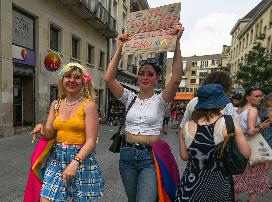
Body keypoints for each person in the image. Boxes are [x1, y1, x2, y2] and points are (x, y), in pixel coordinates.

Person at [104, 23, 184, 201]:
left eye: (150, 74)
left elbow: (176, 78)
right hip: (127, 155)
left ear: (157, 78)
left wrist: (176, 43)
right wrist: (119, 48)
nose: (145, 77)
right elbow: (108, 79)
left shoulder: (160, 100)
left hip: (149, 157)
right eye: (142, 73)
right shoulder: (129, 97)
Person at [31, 63, 105, 202]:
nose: (72, 80)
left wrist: (75, 162)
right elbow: (49, 133)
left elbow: (91, 141)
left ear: (83, 81)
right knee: (45, 199)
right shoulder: (56, 104)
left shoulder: (89, 105)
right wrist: (41, 128)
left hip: (81, 160)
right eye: (68, 76)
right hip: (57, 158)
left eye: (77, 77)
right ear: (62, 80)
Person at [175, 84, 250, 202]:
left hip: (191, 182)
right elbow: (246, 153)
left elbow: (184, 156)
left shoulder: (186, 126)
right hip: (219, 184)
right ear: (221, 104)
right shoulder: (229, 123)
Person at [234, 86, 271, 202]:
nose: (260, 98)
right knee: (255, 178)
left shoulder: (240, 109)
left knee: (238, 176)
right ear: (248, 97)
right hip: (252, 147)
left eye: (261, 96)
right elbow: (250, 131)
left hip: (238, 144)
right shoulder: (253, 110)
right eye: (257, 96)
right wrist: (261, 126)